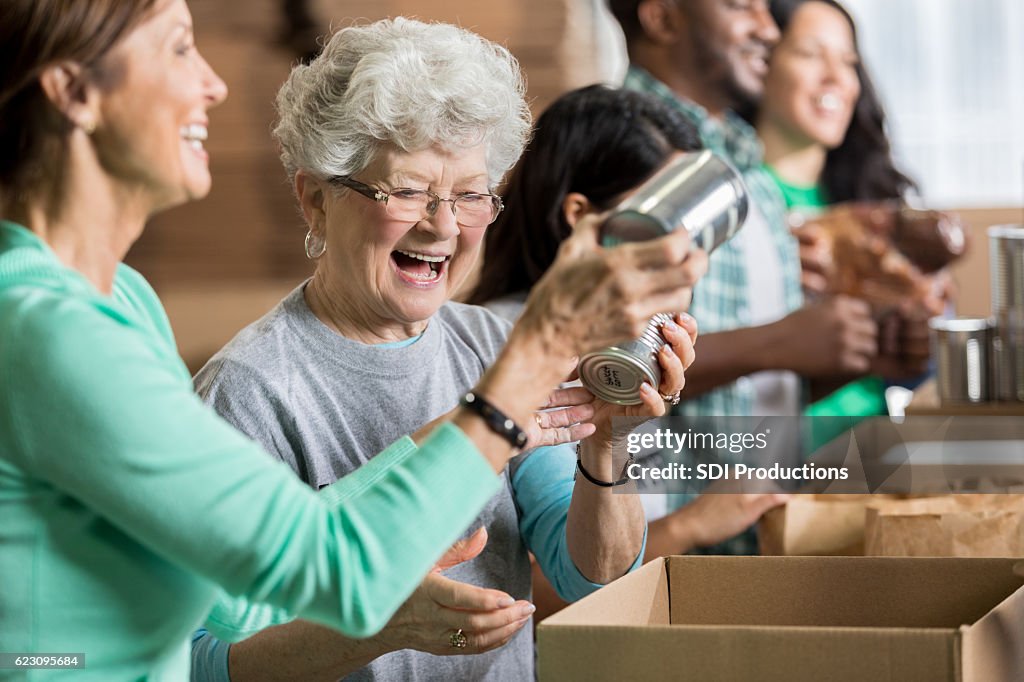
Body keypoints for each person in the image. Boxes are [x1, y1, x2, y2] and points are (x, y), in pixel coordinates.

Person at [0, 2, 703, 679]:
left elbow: (251, 582)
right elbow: (308, 584)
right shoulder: (60, 334)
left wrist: (590, 434)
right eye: (180, 46)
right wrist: (532, 358)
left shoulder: (123, 298)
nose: (213, 83)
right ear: (315, 199)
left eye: (470, 195)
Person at [607, 0, 891, 555]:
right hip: (672, 555)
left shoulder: (749, 171)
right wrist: (781, 342)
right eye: (742, 6)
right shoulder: (622, 159)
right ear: (662, 18)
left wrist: (850, 357)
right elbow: (613, 369)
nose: (766, 28)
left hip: (758, 538)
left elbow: (751, 389)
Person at [470, 83, 785, 564]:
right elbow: (527, 583)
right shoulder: (506, 344)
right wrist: (692, 525)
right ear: (580, 217)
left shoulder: (626, 345)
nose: (678, 251)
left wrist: (612, 438)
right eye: (660, 216)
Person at [753, 0, 931, 428]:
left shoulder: (874, 199)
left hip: (877, 443)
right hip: (770, 456)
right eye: (811, 55)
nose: (836, 77)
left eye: (848, 61)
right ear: (760, 63)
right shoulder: (742, 206)